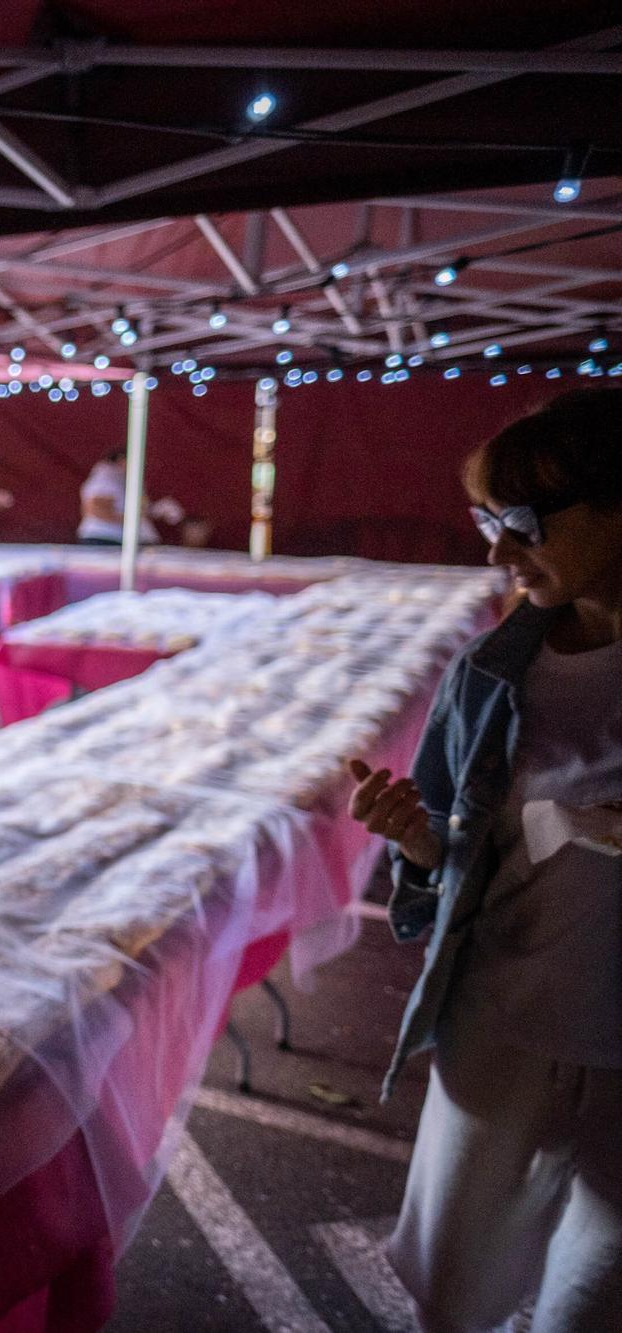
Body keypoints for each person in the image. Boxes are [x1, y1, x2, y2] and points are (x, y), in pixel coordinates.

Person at [345, 390, 622, 1332]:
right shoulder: (489, 673)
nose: (497, 552)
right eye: (487, 522)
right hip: (498, 1021)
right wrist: (419, 842)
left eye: (524, 524)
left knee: (595, 1295)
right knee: (453, 1286)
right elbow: (448, 867)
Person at [77, 448, 183, 545]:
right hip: (102, 537)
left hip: (118, 538)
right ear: (121, 459)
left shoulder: (128, 480)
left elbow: (138, 509)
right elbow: (94, 509)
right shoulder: (107, 476)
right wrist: (132, 520)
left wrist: (157, 510)